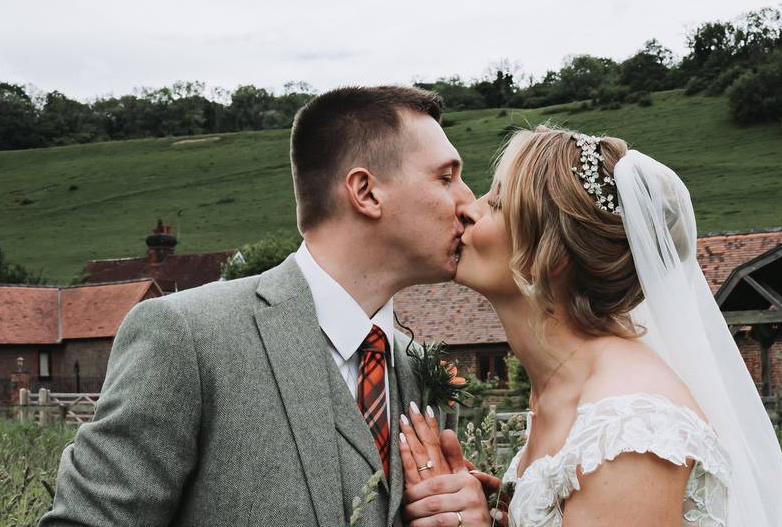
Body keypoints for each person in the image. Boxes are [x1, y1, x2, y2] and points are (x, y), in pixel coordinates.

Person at [39, 86, 490, 527]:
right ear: (366, 192)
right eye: (446, 177)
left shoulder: (422, 371)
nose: (469, 203)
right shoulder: (187, 337)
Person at [399, 126, 782, 526]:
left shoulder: (630, 429)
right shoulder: (561, 389)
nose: (468, 207)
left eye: (497, 204)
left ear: (550, 256)